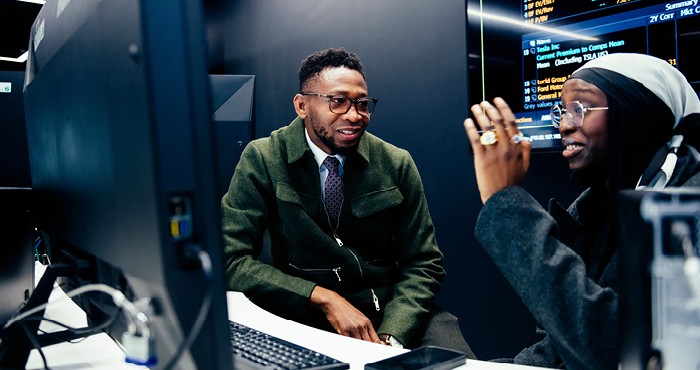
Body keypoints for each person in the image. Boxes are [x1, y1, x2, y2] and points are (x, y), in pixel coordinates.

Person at [222, 47, 470, 352]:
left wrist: (392, 337)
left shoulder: (396, 162)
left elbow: (424, 262)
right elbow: (231, 261)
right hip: (304, 313)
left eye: (362, 104)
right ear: (302, 105)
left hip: (394, 312)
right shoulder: (263, 158)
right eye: (338, 102)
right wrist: (323, 297)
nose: (354, 115)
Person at [463, 53, 700, 369]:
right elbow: (560, 349)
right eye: (561, 111)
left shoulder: (688, 212)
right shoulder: (594, 214)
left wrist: (506, 202)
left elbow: (614, 351)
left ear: (636, 114)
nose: (564, 124)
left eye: (580, 109)